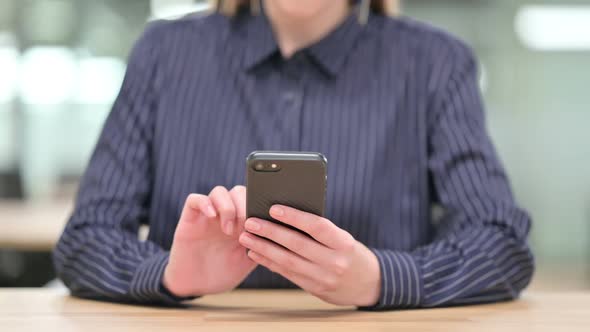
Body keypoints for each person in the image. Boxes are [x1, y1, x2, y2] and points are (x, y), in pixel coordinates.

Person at [53, 0, 534, 309]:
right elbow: (83, 241)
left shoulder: (436, 64)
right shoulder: (163, 55)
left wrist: (382, 279)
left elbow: (501, 245)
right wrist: (168, 275)